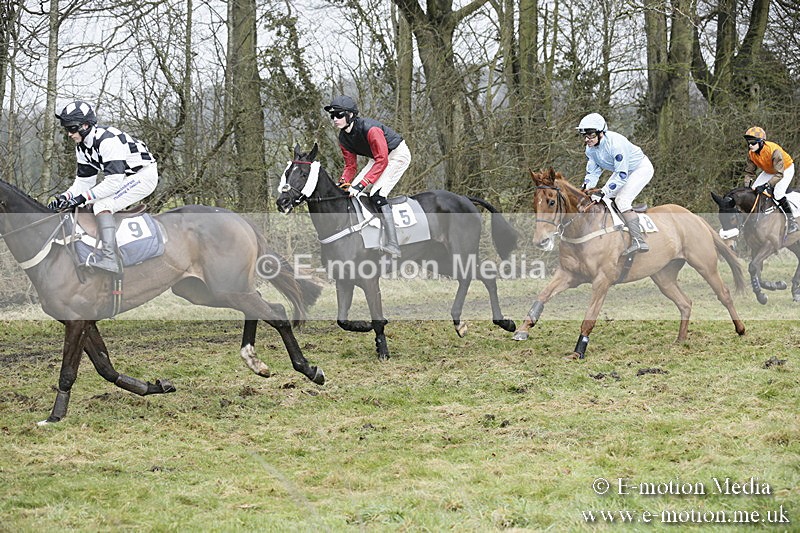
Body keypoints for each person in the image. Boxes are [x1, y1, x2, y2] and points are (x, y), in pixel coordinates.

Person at [48, 100, 159, 273]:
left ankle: (110, 258)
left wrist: (81, 198)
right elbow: (84, 182)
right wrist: (65, 197)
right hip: (127, 178)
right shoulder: (82, 147)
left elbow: (113, 183)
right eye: (66, 129)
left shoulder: (108, 142)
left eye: (71, 128)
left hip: (144, 175)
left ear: (85, 126)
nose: (69, 134)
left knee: (101, 205)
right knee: (87, 203)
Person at [324, 95, 411, 258]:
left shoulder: (371, 129)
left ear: (350, 115)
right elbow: (350, 166)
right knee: (349, 192)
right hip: (378, 158)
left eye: (339, 115)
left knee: (377, 195)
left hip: (397, 155)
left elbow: (382, 161)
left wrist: (361, 184)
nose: (335, 119)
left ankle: (393, 244)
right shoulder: (343, 138)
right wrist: (343, 183)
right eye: (332, 116)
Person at [577, 112, 654, 255]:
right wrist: (586, 189)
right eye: (585, 135)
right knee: (600, 198)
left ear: (601, 133)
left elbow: (622, 175)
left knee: (622, 200)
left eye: (591, 135)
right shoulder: (590, 149)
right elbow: (593, 172)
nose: (587, 139)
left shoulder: (616, 144)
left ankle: (639, 240)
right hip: (622, 171)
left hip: (640, 169)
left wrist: (603, 191)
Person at [742, 126, 798, 234]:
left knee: (778, 193)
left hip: (785, 169)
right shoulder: (751, 154)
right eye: (748, 143)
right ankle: (758, 217)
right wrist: (747, 184)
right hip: (770, 170)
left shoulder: (773, 151)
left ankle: (792, 222)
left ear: (761, 142)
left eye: (753, 143)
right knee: (753, 190)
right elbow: (749, 172)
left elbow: (779, 174)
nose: (750, 145)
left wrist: (766, 185)